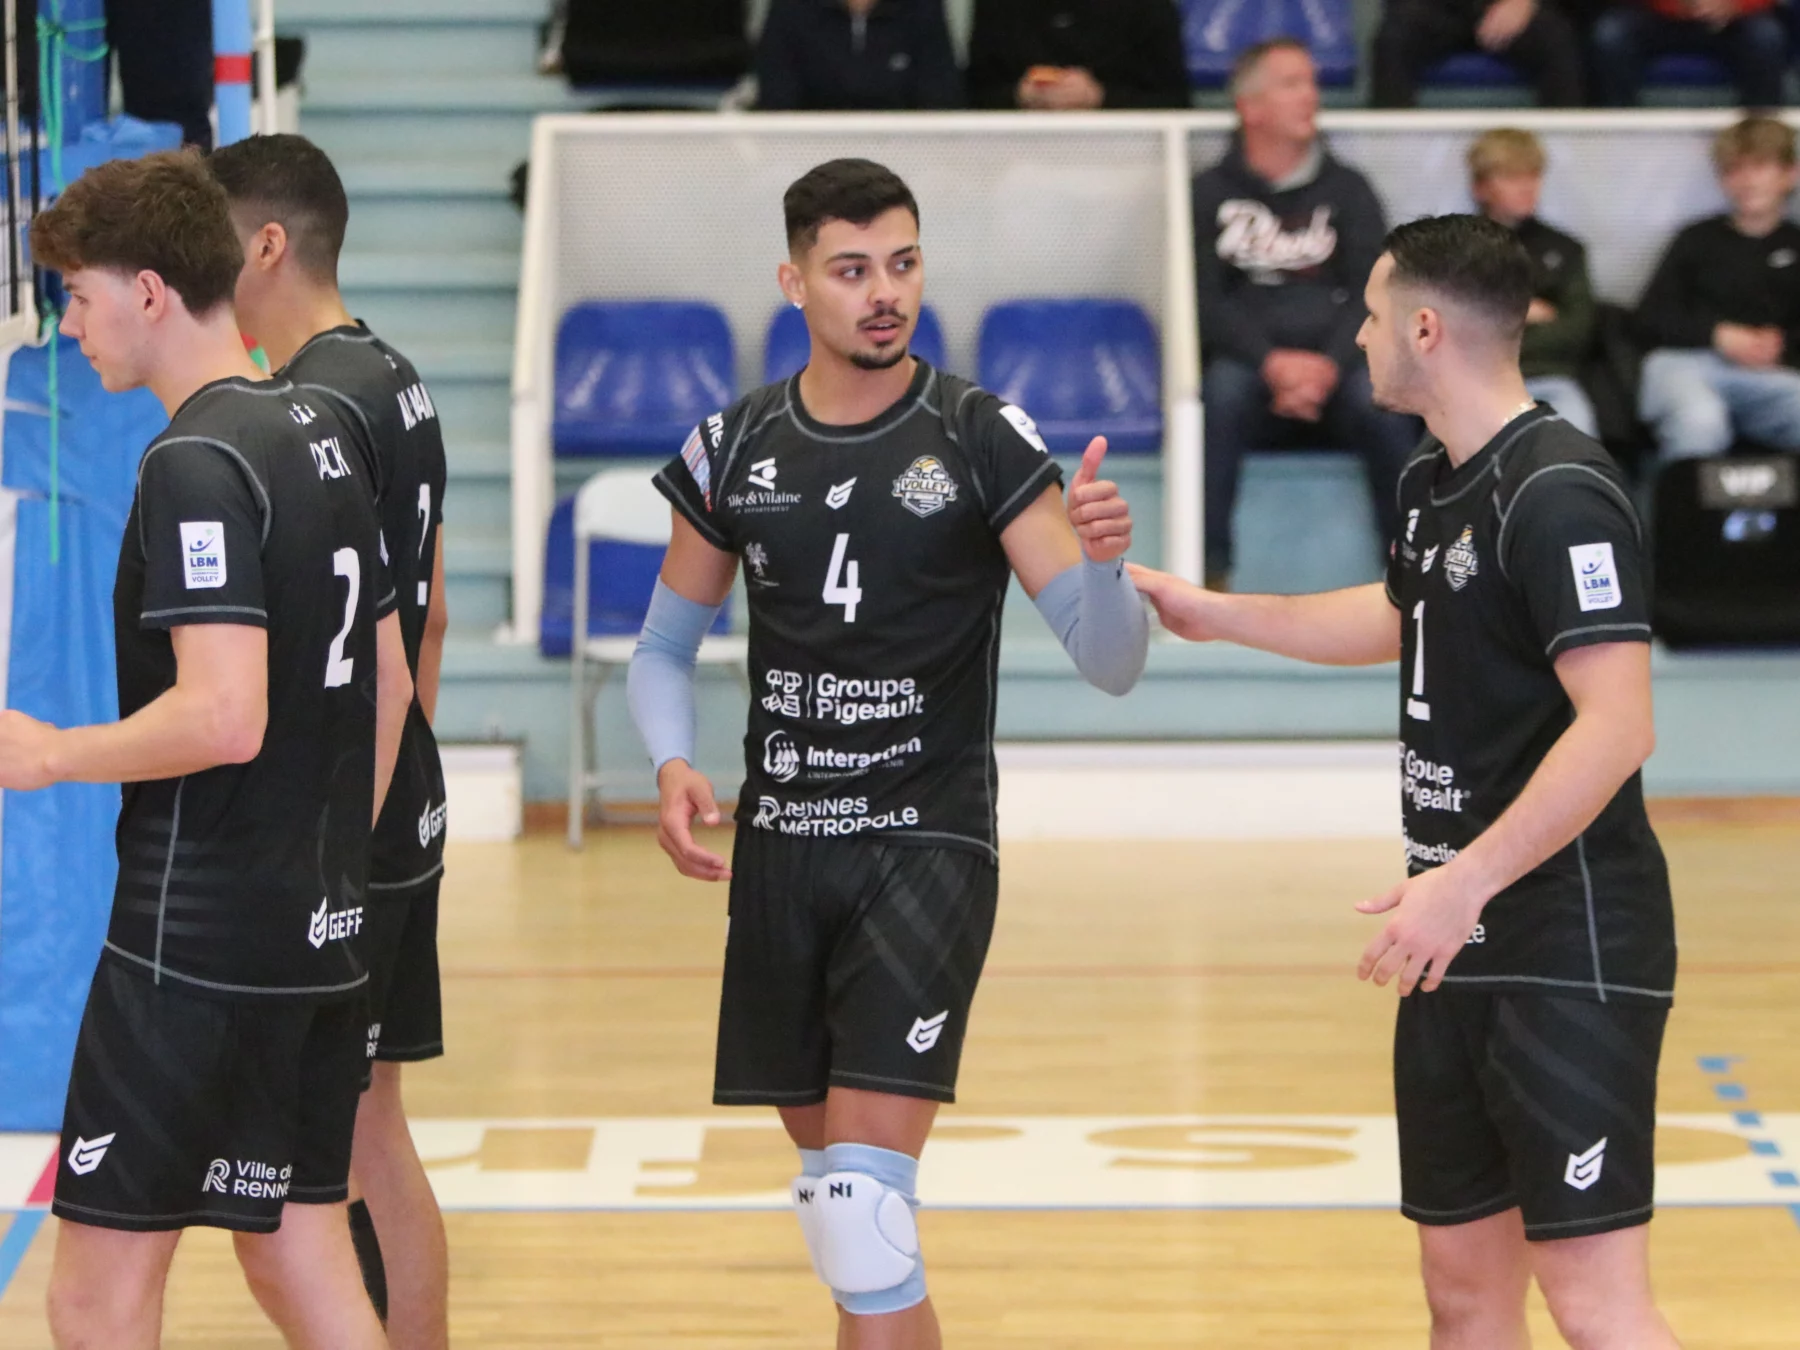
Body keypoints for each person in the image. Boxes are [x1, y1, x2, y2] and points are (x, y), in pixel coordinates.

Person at [1133, 215, 1679, 1350]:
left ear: (1425, 329)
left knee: (1591, 1301)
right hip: (1453, 935)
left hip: (1564, 941)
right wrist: (1216, 615)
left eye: (1375, 313)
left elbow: (1620, 725)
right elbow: (1404, 612)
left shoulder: (1561, 490)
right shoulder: (1438, 479)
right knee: (1464, 1294)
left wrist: (1465, 878)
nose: (1362, 332)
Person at [627, 157, 1147, 1348]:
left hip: (926, 841)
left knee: (863, 1206)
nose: (884, 294)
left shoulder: (976, 433)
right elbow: (662, 649)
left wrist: (1109, 565)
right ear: (794, 279)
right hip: (783, 849)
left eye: (903, 265)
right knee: (841, 1219)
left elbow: (1108, 658)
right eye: (852, 269)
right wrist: (671, 761)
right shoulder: (735, 441)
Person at [2, 149, 413, 1348]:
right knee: (303, 1259)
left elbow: (225, 718)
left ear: (146, 290)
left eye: (76, 292)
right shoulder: (324, 430)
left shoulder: (196, 459)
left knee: (93, 1298)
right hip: (321, 933)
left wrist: (51, 755)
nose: (67, 323)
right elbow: (388, 685)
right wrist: (326, 871)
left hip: (195, 949)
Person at [211, 133, 452, 1350]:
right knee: (375, 1137)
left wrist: (336, 850)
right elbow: (432, 610)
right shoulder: (397, 376)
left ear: (265, 245)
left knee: (331, 1163)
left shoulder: (316, 403)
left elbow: (392, 659)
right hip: (404, 799)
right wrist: (405, 781)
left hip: (352, 828)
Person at [1192, 39, 1418, 588]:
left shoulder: (1350, 189)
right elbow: (1204, 299)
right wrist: (1271, 363)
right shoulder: (1207, 194)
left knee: (1387, 401)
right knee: (1219, 395)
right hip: (1250, 367)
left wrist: (1329, 365)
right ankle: (1210, 571)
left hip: (1340, 365)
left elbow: (1378, 290)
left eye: (1312, 83)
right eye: (1292, 84)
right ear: (1250, 107)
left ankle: (1414, 569)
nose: (1310, 96)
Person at [1635, 115, 1800, 460]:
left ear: (1790, 174)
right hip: (1687, 363)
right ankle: (1682, 513)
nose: (1747, 181)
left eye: (1760, 167)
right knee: (1700, 421)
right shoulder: (1696, 239)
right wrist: (1719, 335)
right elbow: (1649, 318)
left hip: (1770, 374)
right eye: (1734, 170)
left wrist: (1779, 346)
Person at [1468, 128, 1600, 438]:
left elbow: (1577, 330)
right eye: (1512, 177)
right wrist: (1519, 311)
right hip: (1473, 383)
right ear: (1480, 188)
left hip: (1549, 379)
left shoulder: (1565, 249)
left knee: (1578, 432)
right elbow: (1443, 332)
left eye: (1533, 176)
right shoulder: (1451, 248)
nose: (1527, 187)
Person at [966, 0, 1189, 111]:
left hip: (1124, 160)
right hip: (1012, 160)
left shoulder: (1147, 7)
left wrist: (1099, 97)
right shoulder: (997, 6)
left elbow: (1174, 101)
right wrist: (1019, 95)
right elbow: (969, 96)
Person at [1371, 0, 1586, 108]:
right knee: (1394, 38)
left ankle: (1565, 153)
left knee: (1557, 38)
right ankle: (1391, 154)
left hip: (1512, 7)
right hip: (1436, 8)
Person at [755, 0, 962, 111]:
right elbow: (777, 101)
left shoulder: (921, 8)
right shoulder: (792, 9)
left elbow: (940, 101)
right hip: (811, 163)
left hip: (903, 160)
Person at [1591, 0, 1788, 109]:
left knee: (1766, 36)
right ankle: (1621, 130)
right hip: (1658, 14)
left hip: (1735, 17)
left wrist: (1736, 5)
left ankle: (1759, 137)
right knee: (1611, 34)